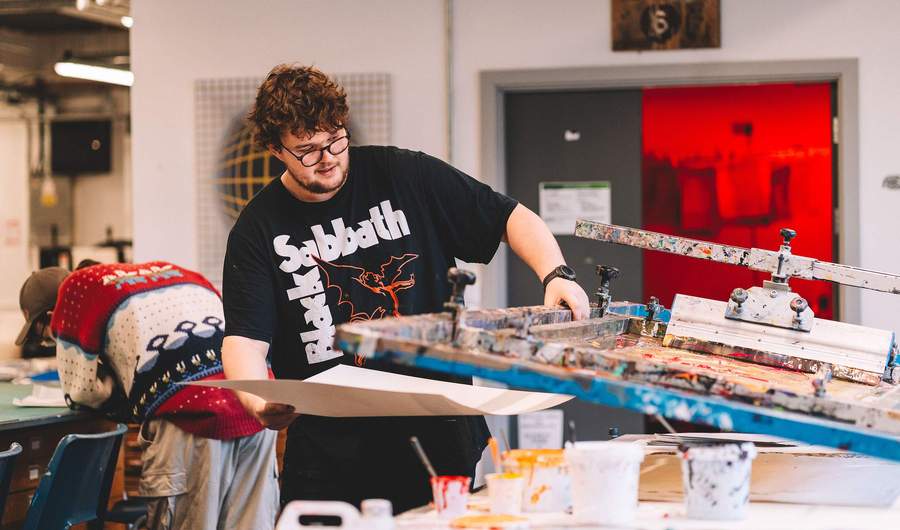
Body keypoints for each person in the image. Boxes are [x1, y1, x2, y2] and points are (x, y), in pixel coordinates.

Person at [221, 64, 591, 513]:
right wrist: (257, 400)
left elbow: (509, 218)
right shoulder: (258, 229)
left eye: (336, 140)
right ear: (275, 149)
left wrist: (556, 274)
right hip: (330, 455)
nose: (328, 157)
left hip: (436, 437)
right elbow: (245, 340)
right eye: (308, 150)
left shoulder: (402, 174)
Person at [19, 261, 279, 530]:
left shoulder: (75, 291)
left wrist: (119, 391)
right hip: (256, 406)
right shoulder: (169, 271)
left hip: (190, 420)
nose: (50, 343)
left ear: (52, 315)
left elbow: (82, 393)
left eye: (45, 337)